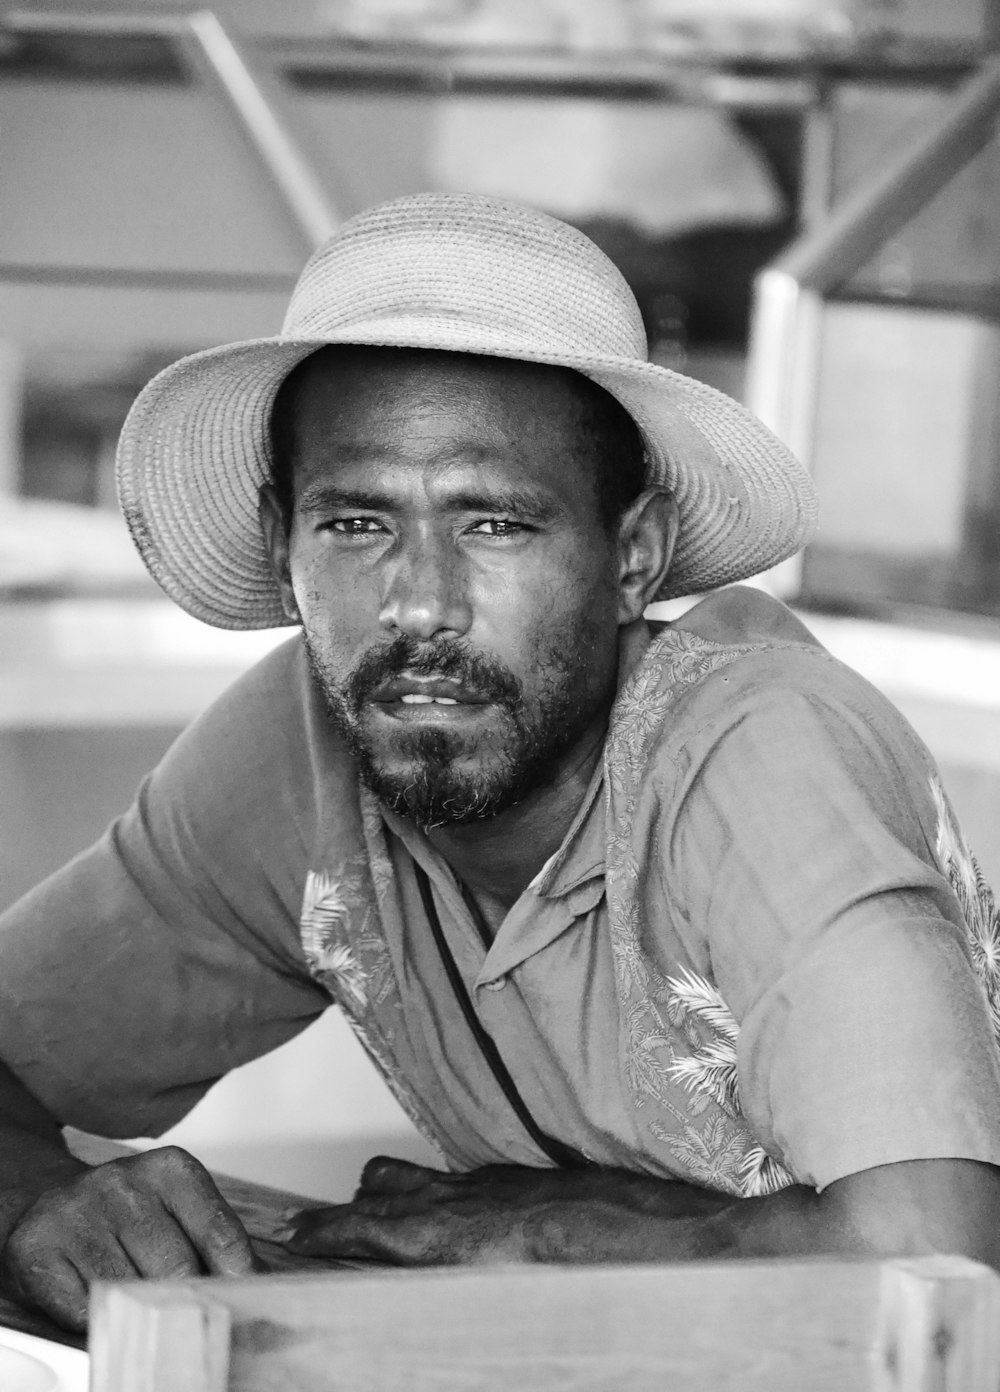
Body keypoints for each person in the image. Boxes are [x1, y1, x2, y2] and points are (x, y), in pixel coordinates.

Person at [2, 192, 1000, 1334]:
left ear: (632, 558)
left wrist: (550, 1228)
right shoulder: (303, 742)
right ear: (285, 553)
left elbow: (940, 1267)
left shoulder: (761, 750)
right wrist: (32, 1196)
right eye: (355, 526)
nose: (418, 607)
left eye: (495, 525)